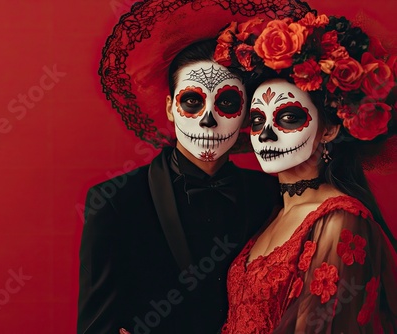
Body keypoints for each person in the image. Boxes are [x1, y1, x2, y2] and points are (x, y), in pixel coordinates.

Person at [77, 0, 313, 333]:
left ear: (247, 114)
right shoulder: (115, 202)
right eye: (192, 100)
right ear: (170, 107)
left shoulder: (271, 196)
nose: (207, 120)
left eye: (228, 103)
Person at [213, 12, 397, 333]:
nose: (265, 135)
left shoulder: (340, 219)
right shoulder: (275, 211)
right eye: (257, 121)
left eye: (287, 118)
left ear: (329, 130)